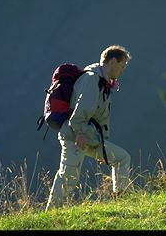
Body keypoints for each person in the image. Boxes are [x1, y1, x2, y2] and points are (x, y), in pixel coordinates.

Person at [45, 45, 132, 210]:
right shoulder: (92, 79)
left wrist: (102, 145)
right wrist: (79, 133)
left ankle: (121, 201)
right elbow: (81, 110)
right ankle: (49, 215)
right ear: (113, 61)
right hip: (75, 136)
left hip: (90, 137)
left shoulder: (104, 83)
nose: (123, 70)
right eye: (123, 65)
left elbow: (101, 119)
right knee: (68, 178)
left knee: (122, 158)